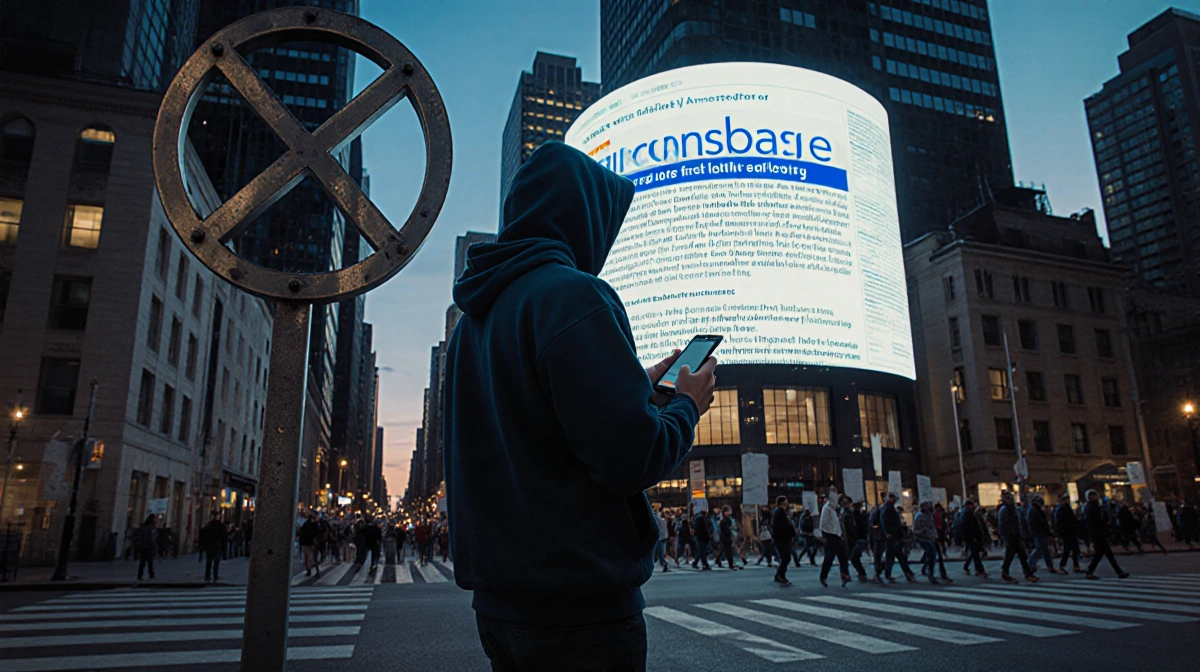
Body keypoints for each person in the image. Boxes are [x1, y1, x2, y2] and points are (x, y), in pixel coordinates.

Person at [443, 142, 717, 672]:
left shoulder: (471, 324)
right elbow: (632, 458)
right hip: (580, 614)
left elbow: (534, 426)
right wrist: (687, 405)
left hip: (499, 610)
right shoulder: (573, 295)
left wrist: (631, 385)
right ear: (581, 216)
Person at [1084, 489, 1129, 579]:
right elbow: (1092, 523)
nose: (1095, 497)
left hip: (1100, 533)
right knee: (1103, 553)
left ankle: (1118, 572)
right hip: (1097, 534)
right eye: (1092, 496)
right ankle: (1118, 572)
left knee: (1104, 553)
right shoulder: (1090, 508)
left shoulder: (1097, 507)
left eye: (1095, 495)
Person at [997, 491, 1038, 583]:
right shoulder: (1005, 510)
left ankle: (1027, 574)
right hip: (1011, 537)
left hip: (1015, 536)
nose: (1010, 500)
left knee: (1021, 556)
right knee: (1011, 556)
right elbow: (1004, 525)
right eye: (1008, 498)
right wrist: (1008, 536)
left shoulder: (1012, 509)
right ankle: (1006, 572)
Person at [881, 492, 916, 582]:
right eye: (895, 498)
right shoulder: (887, 509)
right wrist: (887, 532)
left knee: (895, 556)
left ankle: (903, 572)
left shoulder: (889, 508)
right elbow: (885, 522)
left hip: (893, 536)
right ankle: (906, 572)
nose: (896, 500)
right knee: (897, 556)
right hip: (892, 536)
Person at [818, 494, 851, 587]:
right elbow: (823, 524)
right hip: (831, 535)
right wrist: (832, 532)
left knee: (834, 556)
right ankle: (843, 574)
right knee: (836, 555)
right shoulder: (827, 509)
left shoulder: (834, 510)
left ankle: (842, 574)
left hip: (835, 535)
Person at [1026, 495, 1060, 575]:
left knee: (1045, 550)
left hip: (1041, 532)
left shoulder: (1036, 510)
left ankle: (1049, 566)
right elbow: (1037, 523)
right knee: (1040, 549)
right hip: (1039, 533)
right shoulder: (1034, 511)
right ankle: (1030, 565)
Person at [1054, 495, 1084, 573]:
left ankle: (1075, 565)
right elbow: (1060, 522)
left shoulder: (1067, 508)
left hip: (1071, 531)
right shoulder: (1061, 509)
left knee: (1074, 549)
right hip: (1067, 532)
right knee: (1068, 549)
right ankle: (1063, 565)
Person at [913, 501, 940, 584]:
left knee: (931, 555)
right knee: (931, 554)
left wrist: (935, 535)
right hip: (924, 538)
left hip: (931, 537)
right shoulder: (919, 516)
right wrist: (922, 532)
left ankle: (926, 569)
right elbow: (916, 529)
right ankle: (930, 573)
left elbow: (932, 526)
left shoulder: (929, 515)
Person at [960, 499, 988, 577]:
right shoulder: (967, 514)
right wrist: (973, 537)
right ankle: (980, 570)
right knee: (975, 554)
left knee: (974, 553)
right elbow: (969, 527)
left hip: (972, 537)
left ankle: (972, 568)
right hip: (972, 537)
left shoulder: (967, 513)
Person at [771, 496, 795, 587]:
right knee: (786, 558)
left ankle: (780, 575)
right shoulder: (780, 511)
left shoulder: (778, 511)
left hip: (781, 538)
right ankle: (780, 575)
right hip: (782, 539)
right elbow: (784, 525)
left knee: (785, 557)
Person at [843, 501, 869, 581]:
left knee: (854, 557)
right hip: (859, 538)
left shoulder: (853, 516)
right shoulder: (856, 516)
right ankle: (861, 573)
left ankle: (862, 573)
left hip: (858, 539)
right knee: (855, 557)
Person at [199, 513, 228, 582]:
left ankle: (208, 575)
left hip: (209, 545)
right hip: (217, 546)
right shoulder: (221, 526)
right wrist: (224, 548)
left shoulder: (209, 525)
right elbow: (224, 537)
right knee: (216, 561)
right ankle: (215, 575)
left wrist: (203, 545)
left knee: (209, 561)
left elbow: (203, 535)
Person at [133, 515, 157, 581]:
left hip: (142, 546)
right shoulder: (151, 528)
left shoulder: (143, 527)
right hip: (148, 546)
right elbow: (152, 537)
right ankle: (151, 574)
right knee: (149, 561)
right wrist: (153, 544)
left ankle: (140, 574)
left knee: (142, 561)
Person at [298, 511, 321, 577]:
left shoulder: (307, 524)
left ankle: (309, 568)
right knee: (311, 556)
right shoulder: (315, 524)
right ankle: (311, 568)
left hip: (308, 542)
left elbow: (302, 531)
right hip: (310, 542)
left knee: (308, 556)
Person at [717, 506, 741, 571]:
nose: (730, 512)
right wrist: (730, 531)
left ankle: (719, 560)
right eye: (728, 511)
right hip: (726, 537)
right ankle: (731, 563)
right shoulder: (724, 520)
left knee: (725, 550)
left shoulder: (727, 519)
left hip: (725, 537)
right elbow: (726, 529)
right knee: (728, 551)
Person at [653, 508, 670, 573]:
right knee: (661, 552)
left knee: (660, 552)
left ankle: (663, 564)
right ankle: (663, 564)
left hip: (660, 537)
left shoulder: (657, 518)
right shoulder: (659, 518)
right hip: (661, 537)